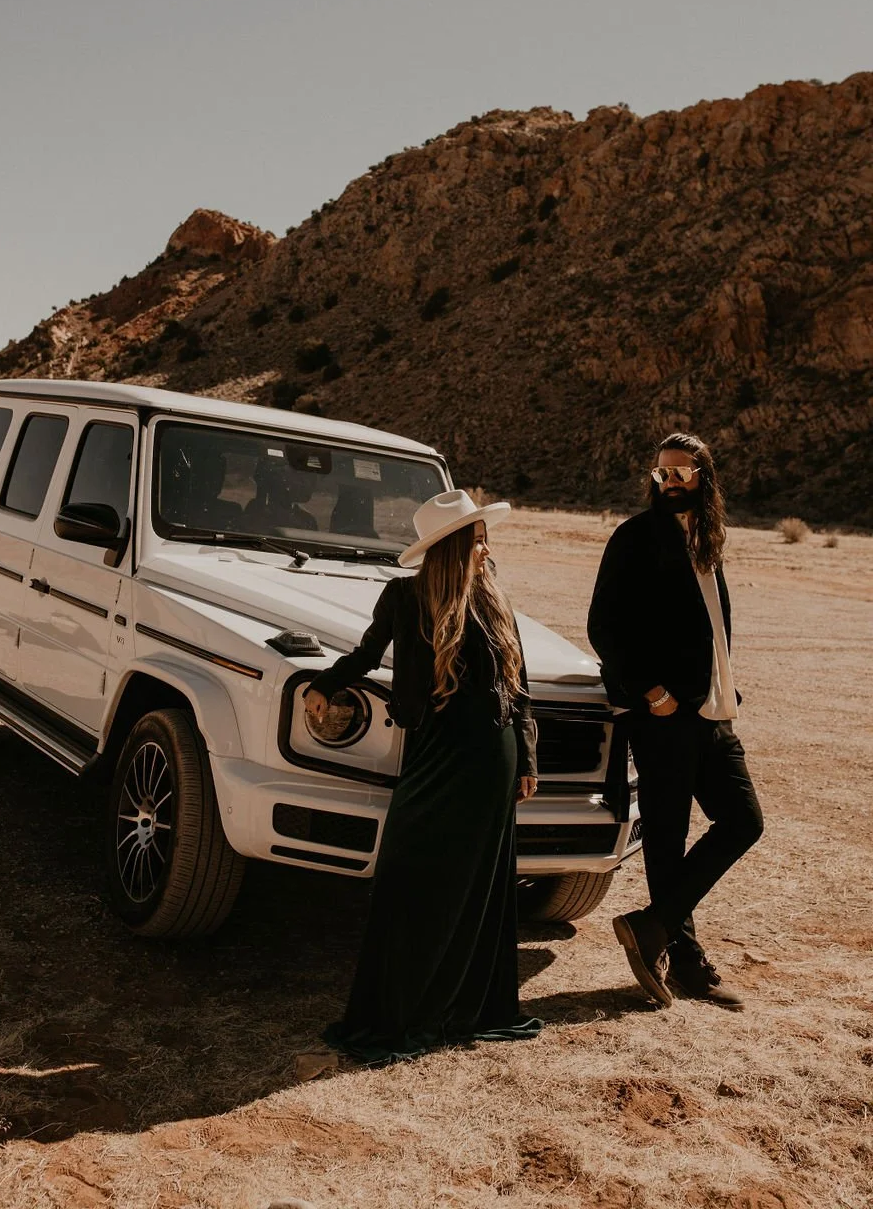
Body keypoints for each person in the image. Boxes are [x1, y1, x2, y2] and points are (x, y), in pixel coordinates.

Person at [304, 488, 542, 1066]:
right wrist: (325, 682)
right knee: (412, 880)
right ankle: (403, 1010)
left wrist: (528, 757)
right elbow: (366, 654)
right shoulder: (405, 597)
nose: (488, 549)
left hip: (493, 754)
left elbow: (519, 686)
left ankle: (464, 1006)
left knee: (479, 884)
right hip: (435, 754)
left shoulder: (494, 601)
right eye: (480, 539)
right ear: (457, 545)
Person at [587, 432, 764, 1010]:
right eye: (662, 473)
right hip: (662, 713)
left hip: (713, 712)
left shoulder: (708, 541)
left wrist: (723, 680)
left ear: (704, 476)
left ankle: (653, 925)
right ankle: (687, 962)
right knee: (666, 838)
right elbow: (605, 627)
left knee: (742, 821)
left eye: (682, 472)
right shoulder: (635, 537)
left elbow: (711, 625)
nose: (670, 482)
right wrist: (651, 691)